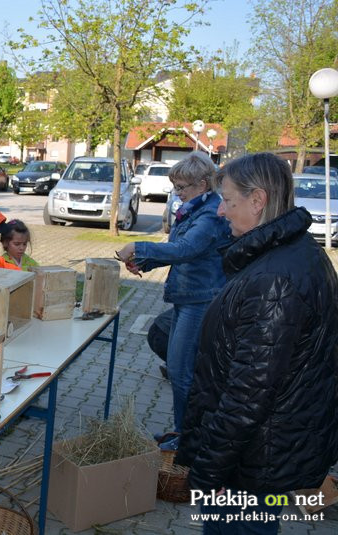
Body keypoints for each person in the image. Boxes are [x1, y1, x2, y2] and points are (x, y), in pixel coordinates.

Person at [176, 153, 338, 534]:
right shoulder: (288, 255)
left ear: (258, 200)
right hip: (262, 451)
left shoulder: (275, 279)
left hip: (251, 462)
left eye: (228, 200)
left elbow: (248, 393)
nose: (220, 211)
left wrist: (208, 470)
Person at [116, 152, 231, 451]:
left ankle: (187, 439)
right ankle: (185, 433)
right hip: (188, 298)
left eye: (182, 187)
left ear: (203, 183)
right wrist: (145, 263)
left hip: (201, 301)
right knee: (181, 370)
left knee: (180, 372)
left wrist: (137, 245)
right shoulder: (193, 209)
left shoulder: (211, 214)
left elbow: (187, 249)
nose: (177, 193)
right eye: (175, 187)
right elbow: (175, 250)